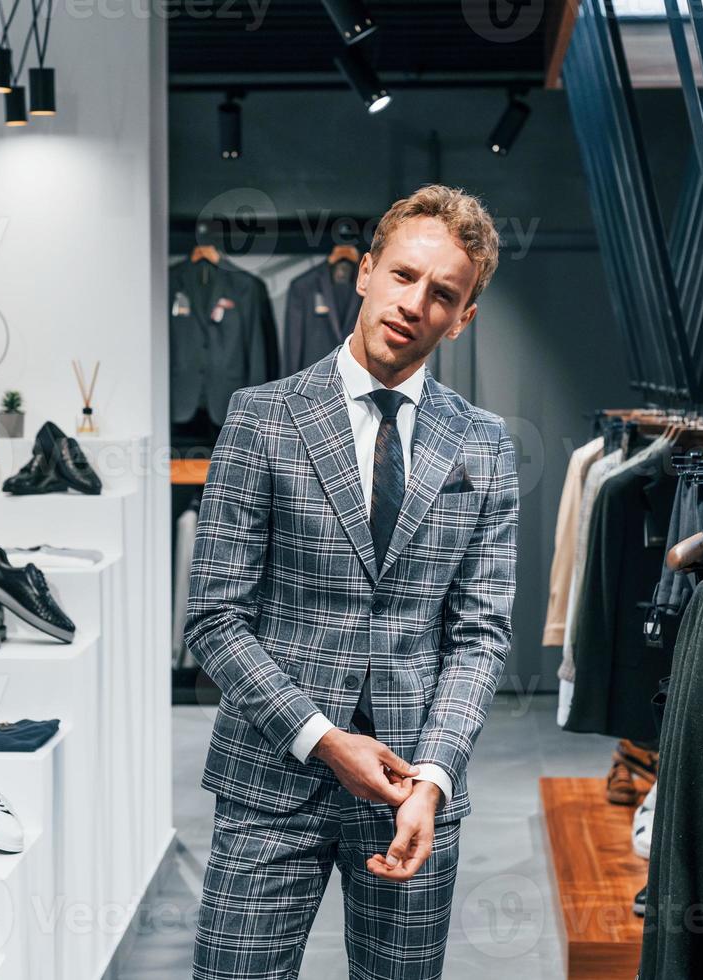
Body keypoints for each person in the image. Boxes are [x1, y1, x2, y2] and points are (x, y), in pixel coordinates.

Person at [186, 183, 519, 979]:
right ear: (365, 271)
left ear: (463, 316)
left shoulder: (484, 443)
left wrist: (433, 778)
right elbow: (213, 618)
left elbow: (480, 636)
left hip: (413, 793)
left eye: (443, 294)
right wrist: (323, 739)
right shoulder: (260, 417)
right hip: (273, 771)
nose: (416, 303)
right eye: (404, 275)